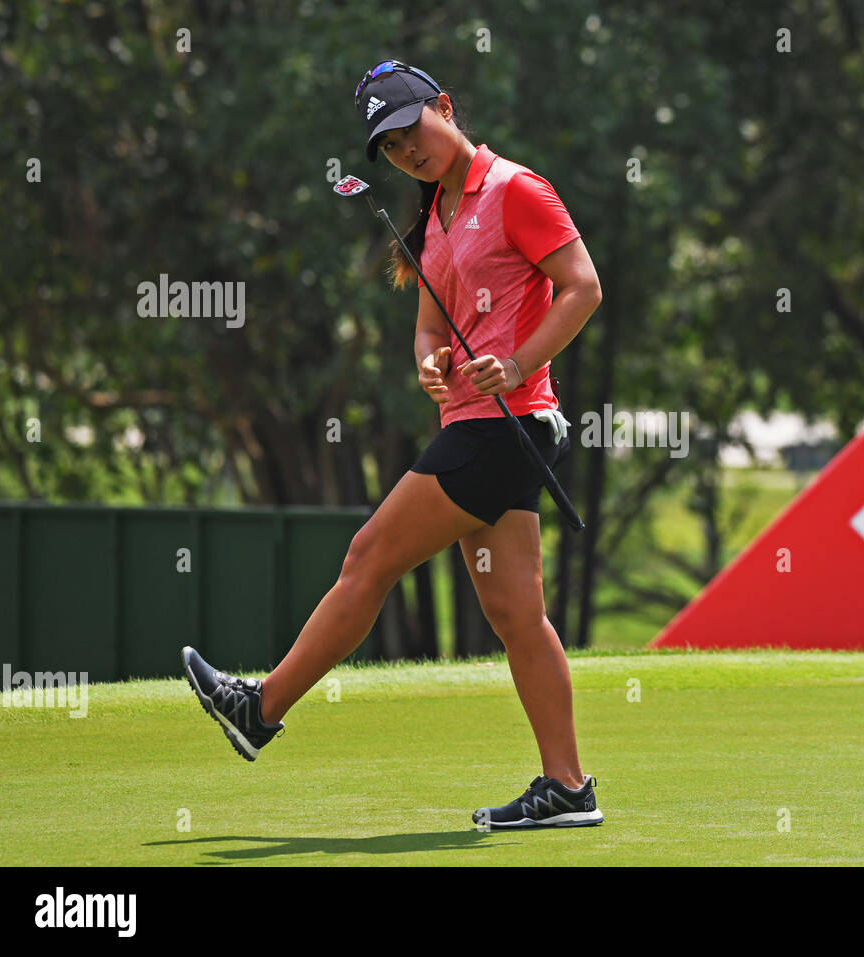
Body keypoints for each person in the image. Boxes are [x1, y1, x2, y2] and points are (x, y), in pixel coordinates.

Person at [182, 59, 604, 830]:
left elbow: (583, 286)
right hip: (477, 424)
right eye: (392, 145)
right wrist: (429, 365)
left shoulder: (517, 190)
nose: (407, 150)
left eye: (413, 129)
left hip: (506, 427)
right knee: (517, 615)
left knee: (368, 556)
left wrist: (516, 362)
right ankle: (568, 788)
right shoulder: (433, 220)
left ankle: (260, 705)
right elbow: (430, 328)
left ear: (444, 107)